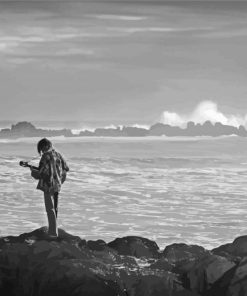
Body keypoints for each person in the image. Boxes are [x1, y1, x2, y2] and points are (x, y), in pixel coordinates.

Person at [31, 138, 69, 238]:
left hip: (48, 185)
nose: (42, 151)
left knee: (50, 209)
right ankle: (54, 231)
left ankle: (53, 233)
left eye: (41, 149)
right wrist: (60, 180)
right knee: (55, 209)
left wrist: (32, 171)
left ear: (45, 146)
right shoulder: (58, 154)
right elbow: (66, 168)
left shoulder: (45, 156)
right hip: (57, 185)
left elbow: (40, 173)